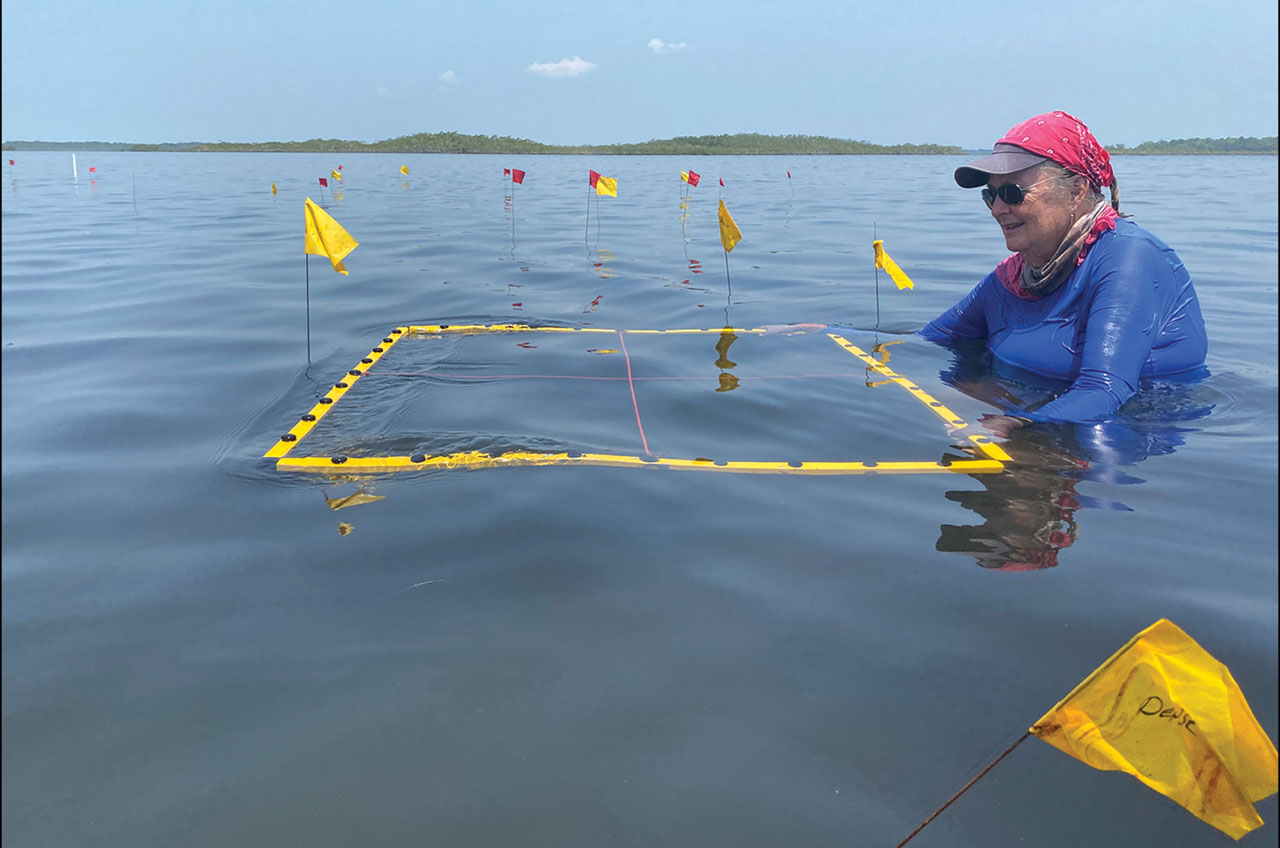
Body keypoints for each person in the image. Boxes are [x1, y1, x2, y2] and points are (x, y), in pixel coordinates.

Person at [920, 111, 1208, 425]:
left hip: (1123, 430)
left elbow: (1105, 390)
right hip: (1031, 412)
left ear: (1076, 190)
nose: (998, 209)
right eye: (991, 196)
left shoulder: (1129, 259)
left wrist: (1016, 428)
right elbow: (928, 341)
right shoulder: (1012, 277)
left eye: (1013, 193)